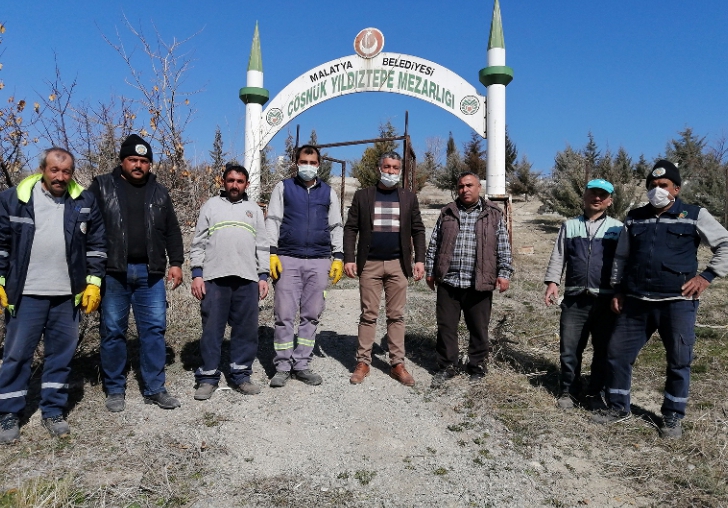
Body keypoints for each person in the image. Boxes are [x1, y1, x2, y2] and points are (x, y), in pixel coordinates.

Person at [593, 160, 728, 438]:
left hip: (677, 303)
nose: (657, 190)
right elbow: (621, 256)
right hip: (636, 302)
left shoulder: (694, 215)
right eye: (652, 186)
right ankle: (618, 407)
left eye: (663, 185)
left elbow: (724, 244)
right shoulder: (635, 217)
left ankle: (672, 417)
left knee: (679, 360)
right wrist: (618, 289)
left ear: (676, 189)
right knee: (617, 354)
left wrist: (707, 277)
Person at [0, 148, 106, 443]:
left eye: (66, 172)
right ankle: (9, 412)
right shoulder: (14, 199)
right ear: (42, 169)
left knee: (60, 357)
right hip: (26, 293)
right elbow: (1, 243)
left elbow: (96, 245)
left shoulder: (84, 201)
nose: (60, 177)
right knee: (17, 356)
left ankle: (53, 411)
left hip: (66, 296)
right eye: (54, 170)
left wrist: (93, 283)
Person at [89, 134, 185, 412]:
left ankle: (155, 388)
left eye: (144, 161)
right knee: (112, 331)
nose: (138, 165)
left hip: (150, 273)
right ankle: (115, 389)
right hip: (112, 273)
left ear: (150, 165)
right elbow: (86, 225)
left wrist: (176, 262)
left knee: (154, 331)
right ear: (122, 161)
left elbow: (173, 231)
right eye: (133, 159)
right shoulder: (101, 187)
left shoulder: (159, 192)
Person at [343, 151, 426, 386]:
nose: (391, 171)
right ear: (380, 168)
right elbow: (351, 228)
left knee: (396, 315)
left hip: (398, 265)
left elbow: (418, 229)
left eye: (395, 168)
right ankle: (363, 362)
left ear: (400, 170)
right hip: (369, 264)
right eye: (387, 167)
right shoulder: (363, 196)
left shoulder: (409, 197)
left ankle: (397, 363)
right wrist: (350, 258)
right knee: (368, 314)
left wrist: (419, 259)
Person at [265, 144, 344, 387]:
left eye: (312, 163)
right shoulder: (284, 188)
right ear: (296, 163)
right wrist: (271, 253)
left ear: (319, 165)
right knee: (284, 316)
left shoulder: (328, 193)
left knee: (311, 316)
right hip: (288, 258)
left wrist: (338, 256)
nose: (308, 167)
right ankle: (282, 366)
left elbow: (336, 225)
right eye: (304, 162)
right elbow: (274, 220)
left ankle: (302, 364)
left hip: (319, 261)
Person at [425, 172, 513, 386]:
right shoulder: (447, 212)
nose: (465, 190)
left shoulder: (493, 213)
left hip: (479, 282)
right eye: (461, 186)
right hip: (449, 281)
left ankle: (477, 365)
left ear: (479, 188)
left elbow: (503, 245)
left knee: (478, 327)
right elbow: (435, 243)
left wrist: (504, 273)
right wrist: (430, 270)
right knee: (446, 327)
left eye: (469, 185)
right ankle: (448, 366)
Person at [189, 164, 269, 400]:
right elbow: (198, 243)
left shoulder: (253, 210)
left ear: (247, 184)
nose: (235, 185)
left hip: (247, 279)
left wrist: (263, 276)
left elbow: (262, 245)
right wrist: (196, 273)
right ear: (223, 182)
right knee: (212, 330)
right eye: (231, 180)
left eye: (240, 181)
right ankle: (208, 377)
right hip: (214, 277)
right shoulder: (210, 207)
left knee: (246, 330)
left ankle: (241, 375)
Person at [543, 179, 622, 410]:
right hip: (575, 299)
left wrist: (621, 291)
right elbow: (559, 256)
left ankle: (596, 392)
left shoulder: (618, 228)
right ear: (584, 196)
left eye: (602, 195)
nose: (597, 198)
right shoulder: (569, 226)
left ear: (610, 201)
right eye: (592, 193)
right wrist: (552, 282)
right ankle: (569, 389)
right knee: (570, 348)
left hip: (606, 300)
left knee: (603, 349)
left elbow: (622, 261)